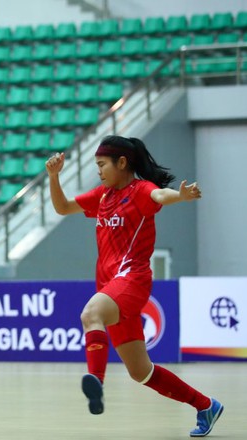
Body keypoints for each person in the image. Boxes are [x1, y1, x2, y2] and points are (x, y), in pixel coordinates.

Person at [45, 136, 223, 437]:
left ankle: (96, 382)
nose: (99, 171)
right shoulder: (103, 196)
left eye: (102, 165)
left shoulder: (140, 191)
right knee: (142, 372)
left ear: (122, 163)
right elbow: (62, 207)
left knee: (91, 315)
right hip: (110, 286)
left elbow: (161, 196)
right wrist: (53, 176)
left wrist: (180, 197)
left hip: (132, 279)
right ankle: (206, 405)